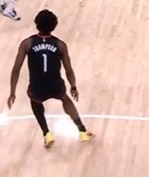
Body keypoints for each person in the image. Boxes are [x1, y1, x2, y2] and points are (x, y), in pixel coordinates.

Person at [7, 9, 94, 148]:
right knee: (65, 99)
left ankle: (47, 134)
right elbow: (68, 69)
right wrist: (73, 86)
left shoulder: (27, 43)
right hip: (56, 84)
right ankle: (82, 131)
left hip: (37, 87)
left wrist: (12, 92)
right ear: (54, 25)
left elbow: (16, 69)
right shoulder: (60, 45)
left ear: (36, 23)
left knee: (35, 102)